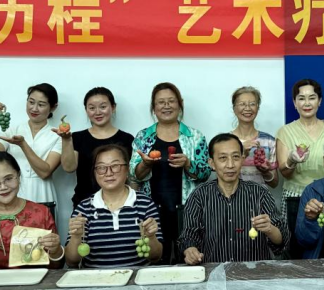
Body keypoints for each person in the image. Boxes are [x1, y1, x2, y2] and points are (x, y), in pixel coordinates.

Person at [129, 82, 211, 264]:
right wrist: (145, 164)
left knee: (189, 259)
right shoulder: (143, 137)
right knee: (156, 261)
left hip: (188, 209)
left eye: (171, 101)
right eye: (161, 102)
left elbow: (206, 173)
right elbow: (134, 175)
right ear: (154, 107)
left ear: (180, 104)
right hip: (152, 209)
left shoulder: (195, 136)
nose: (166, 106)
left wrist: (188, 164)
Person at [180, 133, 288, 264]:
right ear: (212, 163)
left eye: (235, 157)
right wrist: (190, 250)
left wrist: (270, 229)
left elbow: (283, 240)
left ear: (242, 160)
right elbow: (188, 235)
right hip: (213, 272)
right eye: (223, 158)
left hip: (254, 272)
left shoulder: (259, 193)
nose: (230, 165)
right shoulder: (199, 195)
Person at [66, 145, 163, 267]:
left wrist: (151, 237)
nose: (109, 173)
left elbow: (156, 257)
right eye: (101, 167)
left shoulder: (145, 204)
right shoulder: (84, 208)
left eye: (115, 166)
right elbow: (71, 261)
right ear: (95, 172)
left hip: (136, 277)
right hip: (96, 278)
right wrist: (76, 237)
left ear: (127, 169)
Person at [277, 79, 324, 258]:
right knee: (296, 250)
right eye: (301, 98)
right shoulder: (285, 131)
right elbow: (284, 172)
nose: (307, 103)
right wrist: (292, 160)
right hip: (294, 198)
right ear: (294, 103)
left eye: (312, 98)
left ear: (319, 101)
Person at [0, 83, 62, 217]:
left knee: (41, 227)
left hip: (41, 192)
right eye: (31, 102)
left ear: (53, 107)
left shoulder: (57, 135)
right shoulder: (13, 129)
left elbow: (45, 172)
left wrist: (23, 145)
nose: (34, 108)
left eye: (41, 104)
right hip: (11, 190)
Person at [56, 87, 135, 210]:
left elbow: (131, 176)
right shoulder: (77, 137)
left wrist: (134, 203)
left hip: (120, 203)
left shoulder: (127, 139)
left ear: (113, 107)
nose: (97, 112)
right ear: (86, 110)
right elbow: (69, 168)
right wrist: (66, 140)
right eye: (92, 108)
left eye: (103, 107)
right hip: (84, 203)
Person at [229, 87, 279, 188]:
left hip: (261, 197)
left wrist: (265, 172)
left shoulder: (269, 141)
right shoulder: (225, 141)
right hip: (232, 197)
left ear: (258, 108)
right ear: (234, 109)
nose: (247, 108)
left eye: (252, 104)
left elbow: (274, 183)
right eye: (242, 104)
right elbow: (222, 178)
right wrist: (241, 153)